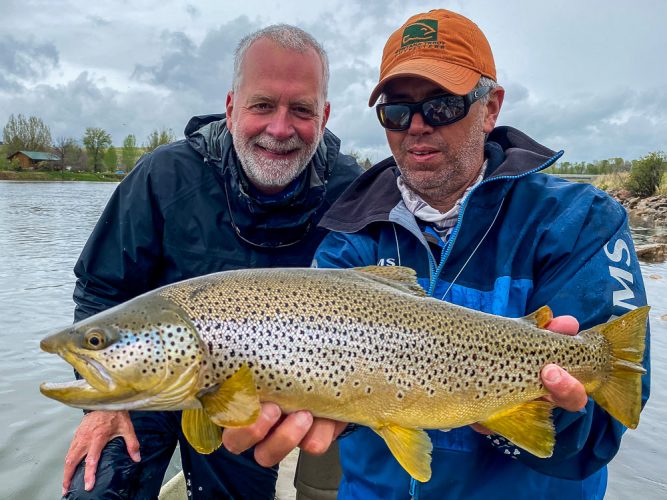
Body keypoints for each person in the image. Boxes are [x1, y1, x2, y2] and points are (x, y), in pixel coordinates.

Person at [223, 9, 651, 499]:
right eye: (398, 111)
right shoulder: (348, 236)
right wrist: (331, 411)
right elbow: (344, 394)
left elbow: (599, 438)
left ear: (491, 107)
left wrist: (516, 409)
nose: (418, 126)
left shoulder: (580, 222)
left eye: (443, 105)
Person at [61, 24, 362, 500]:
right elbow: (101, 288)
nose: (279, 129)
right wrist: (100, 402)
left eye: (300, 110)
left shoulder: (351, 193)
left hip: (255, 396)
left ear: (323, 116)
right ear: (230, 107)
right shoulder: (163, 175)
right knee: (96, 489)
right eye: (262, 105)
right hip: (148, 377)